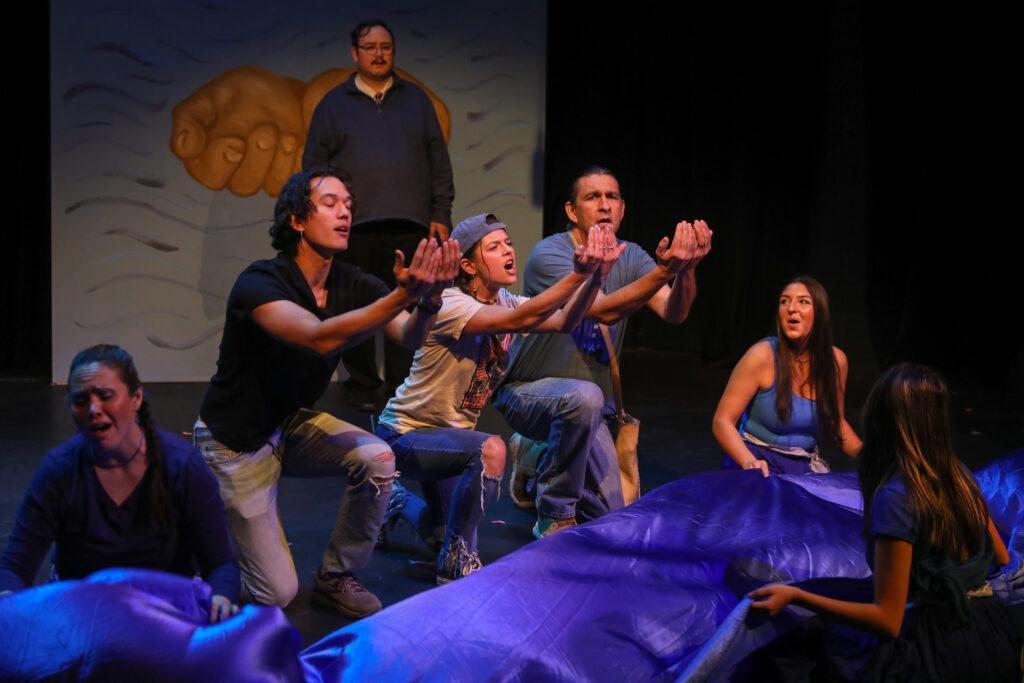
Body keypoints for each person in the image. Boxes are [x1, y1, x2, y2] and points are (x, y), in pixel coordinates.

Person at [195, 167, 458, 618]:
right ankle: (203, 545)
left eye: (349, 206)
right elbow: (319, 337)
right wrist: (400, 295)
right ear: (297, 220)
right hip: (234, 444)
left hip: (288, 423)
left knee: (378, 457)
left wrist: (429, 301)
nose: (345, 213)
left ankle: (336, 577)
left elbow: (409, 336)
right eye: (330, 203)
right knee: (276, 594)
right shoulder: (259, 283)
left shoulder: (350, 283)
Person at [374, 213, 624, 583]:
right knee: (491, 450)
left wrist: (596, 276)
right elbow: (520, 319)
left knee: (439, 532)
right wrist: (578, 274)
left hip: (450, 442)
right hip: (407, 434)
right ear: (468, 265)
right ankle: (456, 563)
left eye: (508, 243)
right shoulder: (449, 303)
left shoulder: (505, 301)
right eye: (494, 247)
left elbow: (564, 321)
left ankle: (396, 504)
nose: (508, 250)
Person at [749, 364, 1022, 680]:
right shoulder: (959, 475)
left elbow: (887, 619)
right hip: (989, 635)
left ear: (882, 423)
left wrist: (797, 597)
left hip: (936, 650)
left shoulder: (895, 497)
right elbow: (1000, 558)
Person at [494, 165, 712, 537]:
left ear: (623, 209)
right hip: (527, 394)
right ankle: (553, 510)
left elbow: (673, 312)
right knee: (584, 396)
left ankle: (542, 464)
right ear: (571, 211)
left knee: (610, 515)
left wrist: (686, 269)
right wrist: (663, 271)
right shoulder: (553, 254)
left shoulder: (632, 257)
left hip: (590, 408)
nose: (604, 205)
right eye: (592, 197)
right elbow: (601, 308)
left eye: (612, 196)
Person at [0, 344, 240, 623]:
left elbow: (222, 565)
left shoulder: (182, 466)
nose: (93, 409)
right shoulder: (60, 471)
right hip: (85, 615)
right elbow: (16, 567)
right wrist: (7, 599)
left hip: (166, 613)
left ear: (136, 397)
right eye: (80, 401)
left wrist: (221, 597)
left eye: (105, 396)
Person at [302, 19, 455, 407]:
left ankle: (401, 387)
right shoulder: (334, 105)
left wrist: (440, 210)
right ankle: (365, 384)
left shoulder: (416, 101)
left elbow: (438, 161)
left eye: (385, 47)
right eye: (369, 47)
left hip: (410, 223)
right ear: (355, 54)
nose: (378, 53)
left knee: (406, 301)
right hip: (352, 227)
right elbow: (313, 169)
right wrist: (318, 219)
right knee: (354, 305)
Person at [712, 276, 862, 476]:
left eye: (803, 301)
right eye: (784, 301)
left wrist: (867, 457)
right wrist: (749, 461)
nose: (791, 308)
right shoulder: (762, 355)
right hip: (757, 462)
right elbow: (722, 420)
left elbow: (836, 422)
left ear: (820, 313)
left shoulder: (836, 361)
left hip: (803, 467)